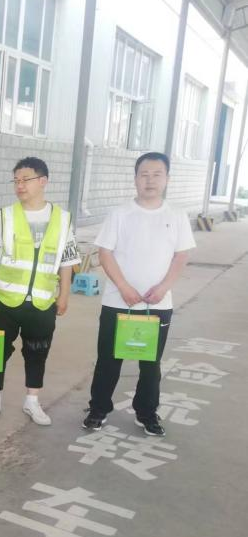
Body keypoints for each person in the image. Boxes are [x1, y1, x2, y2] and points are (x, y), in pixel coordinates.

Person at [83, 152, 195, 437]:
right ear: (135, 179)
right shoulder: (120, 214)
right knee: (108, 360)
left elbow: (181, 255)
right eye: (144, 174)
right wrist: (124, 287)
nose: (150, 180)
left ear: (167, 179)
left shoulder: (176, 215)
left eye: (157, 174)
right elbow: (105, 253)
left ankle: (146, 412)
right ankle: (98, 409)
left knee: (150, 364)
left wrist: (163, 287)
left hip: (158, 304)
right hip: (117, 301)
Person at [0, 157, 80, 425]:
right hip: (5, 301)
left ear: (43, 181)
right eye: (16, 180)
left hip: (43, 302)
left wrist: (64, 295)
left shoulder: (63, 219)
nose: (20, 185)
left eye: (25, 180)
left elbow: (67, 261)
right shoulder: (4, 216)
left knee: (38, 351)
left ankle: (32, 401)